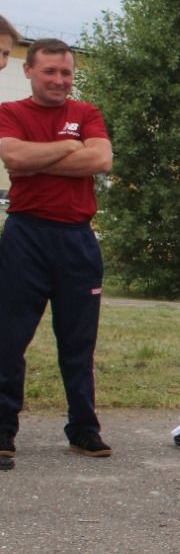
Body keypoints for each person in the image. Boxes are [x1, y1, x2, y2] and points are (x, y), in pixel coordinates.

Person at [0, 39, 114, 461]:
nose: (59, 81)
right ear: (29, 71)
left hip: (77, 239)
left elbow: (100, 160)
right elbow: (11, 154)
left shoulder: (86, 113)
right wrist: (69, 148)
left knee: (78, 342)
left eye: (66, 73)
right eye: (50, 72)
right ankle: (3, 430)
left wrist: (37, 159)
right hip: (25, 237)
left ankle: (83, 428)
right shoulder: (10, 113)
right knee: (8, 339)